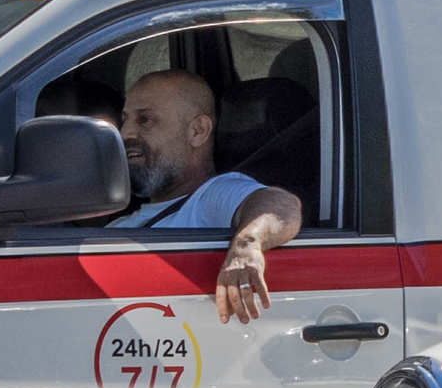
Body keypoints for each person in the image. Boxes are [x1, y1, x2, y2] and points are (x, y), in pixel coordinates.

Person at [108, 69, 303, 322]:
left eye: (145, 120)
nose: (125, 133)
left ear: (197, 131)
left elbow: (280, 206)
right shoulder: (119, 225)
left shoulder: (211, 196)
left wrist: (247, 245)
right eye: (125, 120)